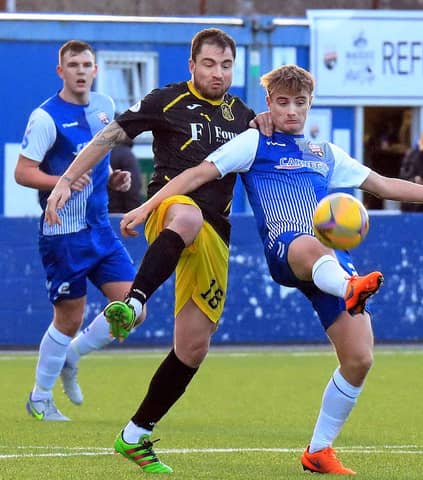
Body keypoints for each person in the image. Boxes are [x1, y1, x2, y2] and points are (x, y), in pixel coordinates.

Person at [114, 64, 423, 474]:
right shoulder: (254, 142)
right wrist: (147, 206)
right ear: (269, 104)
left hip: (329, 259)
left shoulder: (324, 153)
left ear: (311, 105)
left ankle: (318, 450)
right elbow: (197, 173)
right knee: (310, 245)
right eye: (282, 102)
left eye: (300, 103)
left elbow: (383, 185)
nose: (291, 111)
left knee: (360, 358)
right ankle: (348, 286)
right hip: (287, 249)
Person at [44, 28, 267, 474]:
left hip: (215, 233)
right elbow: (109, 137)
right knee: (187, 217)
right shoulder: (166, 101)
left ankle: (135, 435)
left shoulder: (244, 116)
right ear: (191, 65)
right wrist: (66, 180)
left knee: (193, 348)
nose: (218, 73)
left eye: (226, 66)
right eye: (209, 64)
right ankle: (132, 302)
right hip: (169, 209)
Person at [14, 40, 144, 421]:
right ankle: (40, 397)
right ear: (61, 72)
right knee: (68, 318)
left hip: (101, 228)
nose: (82, 71)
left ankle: (74, 354)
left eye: (87, 64)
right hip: (63, 234)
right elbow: (23, 172)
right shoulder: (45, 117)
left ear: (96, 69)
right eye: (73, 65)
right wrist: (62, 181)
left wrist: (115, 180)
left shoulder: (105, 107)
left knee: (133, 309)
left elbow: (100, 162)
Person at [108, 136, 143, 213]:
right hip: (118, 215)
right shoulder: (126, 154)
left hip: (100, 213)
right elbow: (133, 188)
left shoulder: (100, 153)